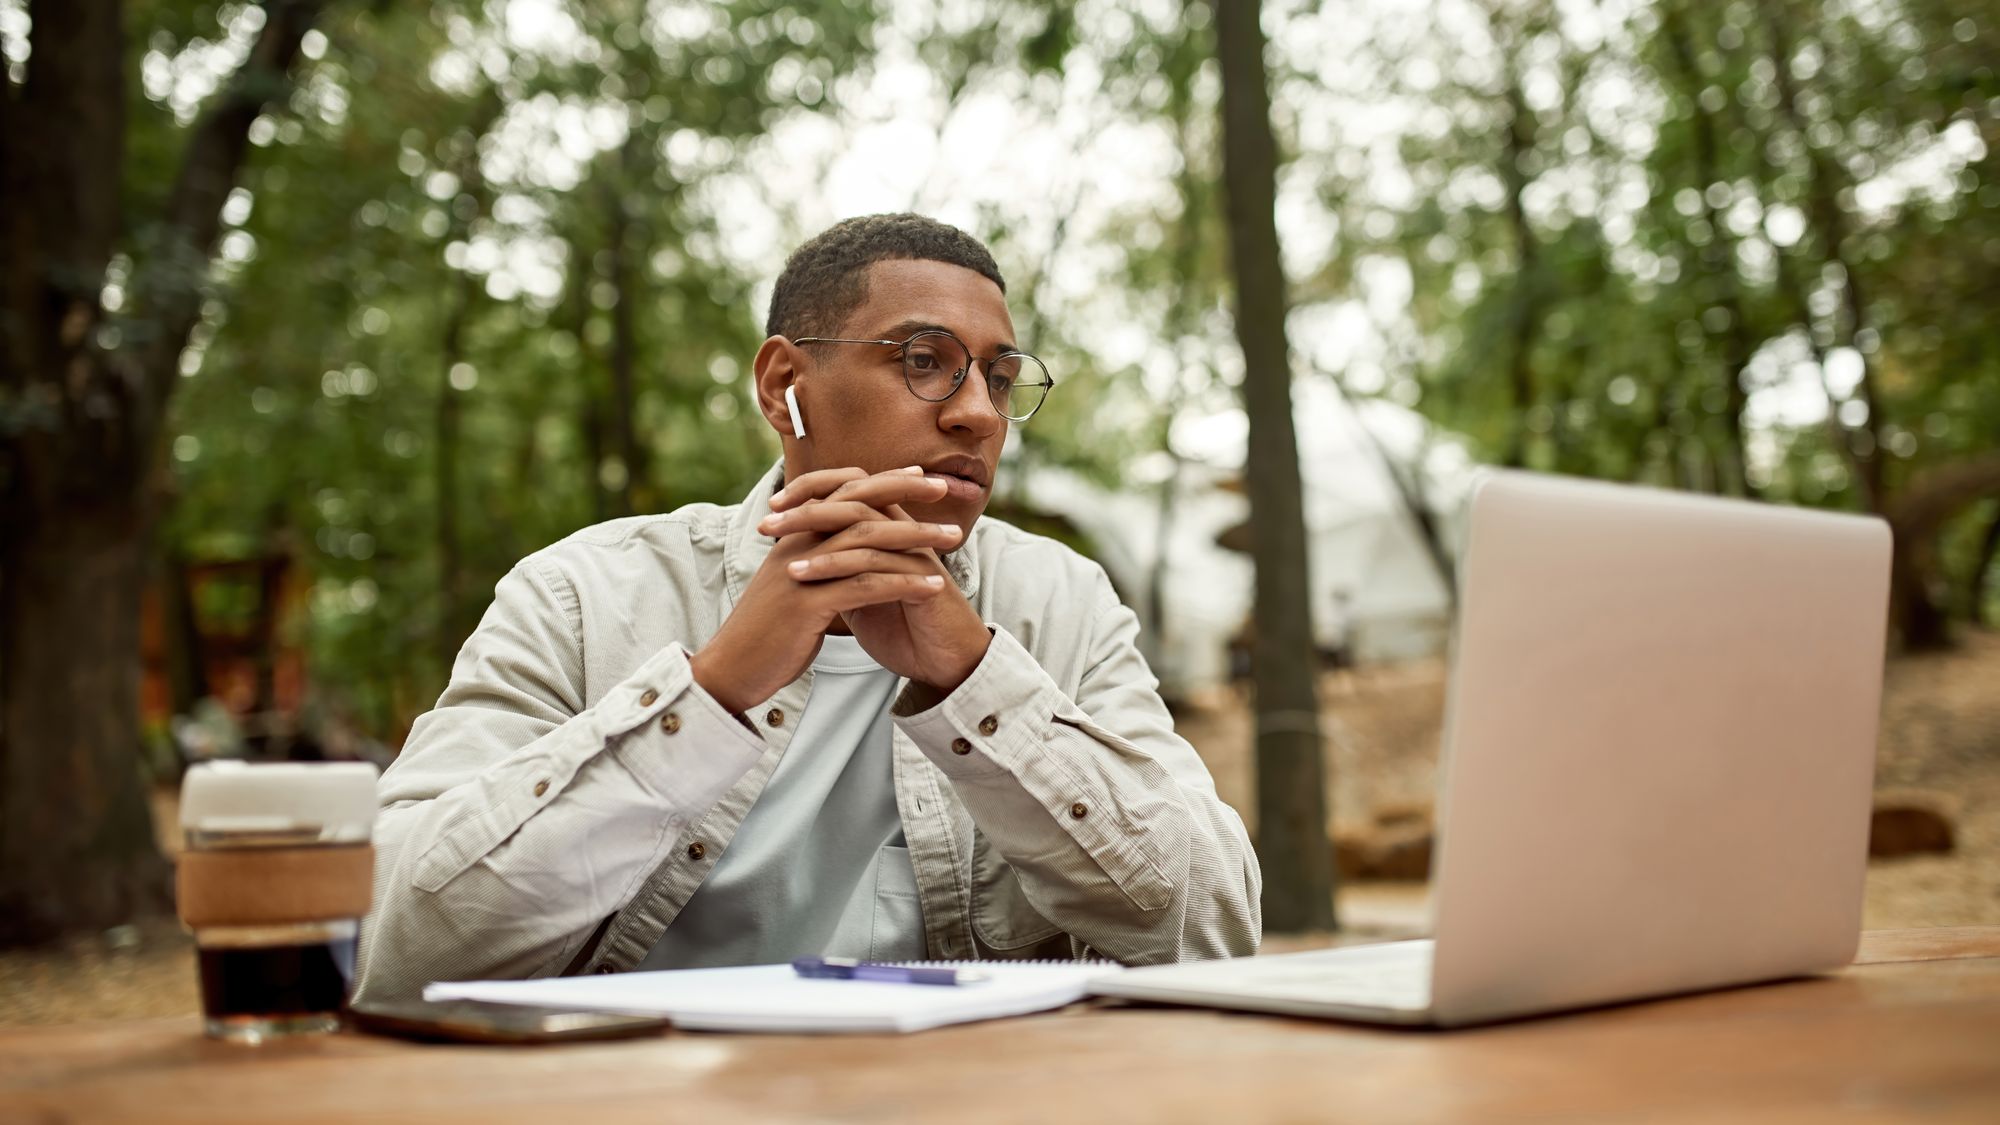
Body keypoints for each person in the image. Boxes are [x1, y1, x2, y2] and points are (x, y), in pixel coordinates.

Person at [353, 213, 1261, 1001]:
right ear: (784, 385)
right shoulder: (585, 594)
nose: (979, 414)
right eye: (925, 362)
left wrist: (975, 680)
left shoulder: (1059, 601)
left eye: (997, 374)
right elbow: (402, 947)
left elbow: (1213, 934)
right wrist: (711, 694)